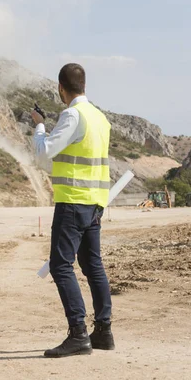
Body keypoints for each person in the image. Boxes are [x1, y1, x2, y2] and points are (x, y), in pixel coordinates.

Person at [31, 63, 115, 358]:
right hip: (95, 203)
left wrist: (39, 126)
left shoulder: (72, 115)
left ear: (60, 88)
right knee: (93, 265)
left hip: (73, 202)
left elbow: (43, 155)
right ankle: (103, 331)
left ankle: (78, 333)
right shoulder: (100, 118)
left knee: (60, 266)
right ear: (85, 85)